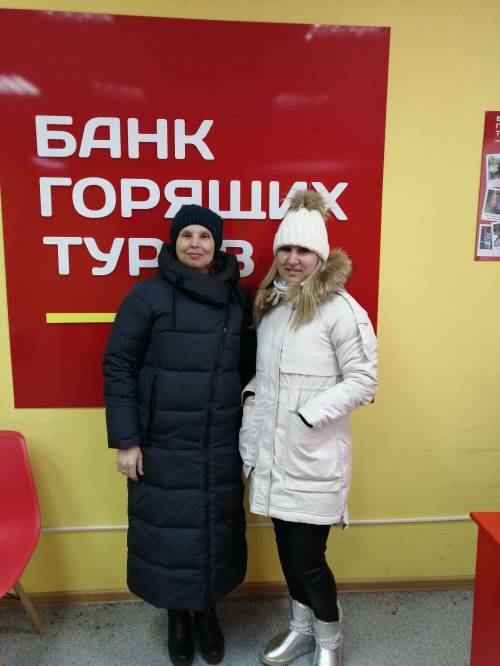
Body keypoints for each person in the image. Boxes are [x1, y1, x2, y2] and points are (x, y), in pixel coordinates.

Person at [103, 204, 255, 666]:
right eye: (186, 235)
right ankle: (178, 619)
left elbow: (250, 369)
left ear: (217, 245)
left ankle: (207, 614)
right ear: (174, 242)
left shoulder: (237, 299)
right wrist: (127, 440)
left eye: (204, 236)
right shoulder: (147, 296)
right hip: (162, 444)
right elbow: (119, 367)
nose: (195, 244)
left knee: (214, 531)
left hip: (219, 442)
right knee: (169, 536)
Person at [239, 190, 377, 666]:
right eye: (286, 249)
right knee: (286, 552)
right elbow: (268, 377)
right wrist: (253, 399)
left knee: (308, 561)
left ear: (320, 256)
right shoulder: (272, 306)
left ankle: (330, 640)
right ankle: (301, 630)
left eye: (303, 251)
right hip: (271, 453)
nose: (293, 259)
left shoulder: (342, 310)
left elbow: (364, 381)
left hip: (311, 455)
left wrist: (307, 415)